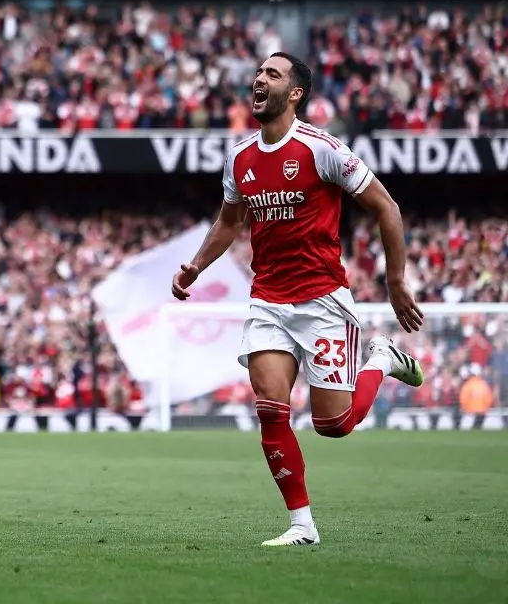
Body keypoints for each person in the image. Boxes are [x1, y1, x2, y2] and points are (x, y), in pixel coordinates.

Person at [171, 52, 426, 547]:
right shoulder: (240, 157)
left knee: (334, 424)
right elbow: (229, 221)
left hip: (323, 301)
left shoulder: (321, 149)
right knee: (270, 409)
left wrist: (396, 283)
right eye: (258, 71)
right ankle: (302, 526)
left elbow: (387, 208)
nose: (258, 78)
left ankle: (382, 360)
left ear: (295, 94)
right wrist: (196, 266)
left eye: (273, 73)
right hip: (268, 299)